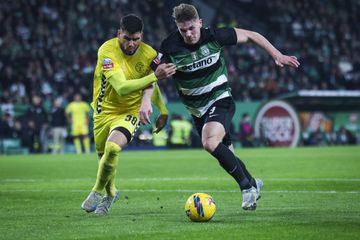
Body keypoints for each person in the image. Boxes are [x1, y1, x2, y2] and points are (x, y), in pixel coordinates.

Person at [154, 3, 300, 210]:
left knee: (209, 141)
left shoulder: (215, 36)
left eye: (192, 28)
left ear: (200, 23)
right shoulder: (169, 46)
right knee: (225, 153)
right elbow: (153, 75)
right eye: (183, 30)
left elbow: (252, 35)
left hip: (220, 98)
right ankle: (252, 182)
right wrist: (157, 74)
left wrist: (277, 55)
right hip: (197, 111)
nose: (188, 34)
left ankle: (246, 189)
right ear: (177, 28)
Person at [81, 14, 176, 215]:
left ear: (141, 35)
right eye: (127, 38)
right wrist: (154, 77)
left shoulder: (149, 54)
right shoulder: (107, 52)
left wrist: (162, 109)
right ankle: (110, 193)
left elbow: (151, 83)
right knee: (105, 159)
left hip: (130, 112)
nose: (131, 44)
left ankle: (96, 192)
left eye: (136, 39)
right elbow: (122, 87)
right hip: (103, 112)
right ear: (119, 34)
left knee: (113, 147)